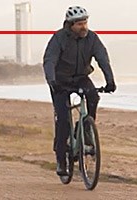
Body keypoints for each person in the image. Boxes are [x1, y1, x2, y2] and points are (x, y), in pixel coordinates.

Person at [42, 5, 117, 176]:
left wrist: (110, 80)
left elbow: (103, 59)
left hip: (81, 78)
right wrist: (52, 81)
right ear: (70, 25)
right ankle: (61, 159)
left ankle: (85, 128)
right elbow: (49, 61)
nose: (84, 27)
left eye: (85, 23)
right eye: (80, 24)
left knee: (93, 97)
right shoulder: (59, 38)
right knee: (62, 120)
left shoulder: (91, 38)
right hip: (60, 81)